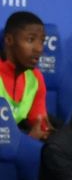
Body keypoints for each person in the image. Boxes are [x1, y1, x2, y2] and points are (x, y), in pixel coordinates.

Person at [1, 11, 51, 140]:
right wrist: (27, 141)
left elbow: (40, 125)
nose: (39, 48)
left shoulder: (35, 78)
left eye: (42, 41)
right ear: (9, 40)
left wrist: (42, 133)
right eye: (30, 40)